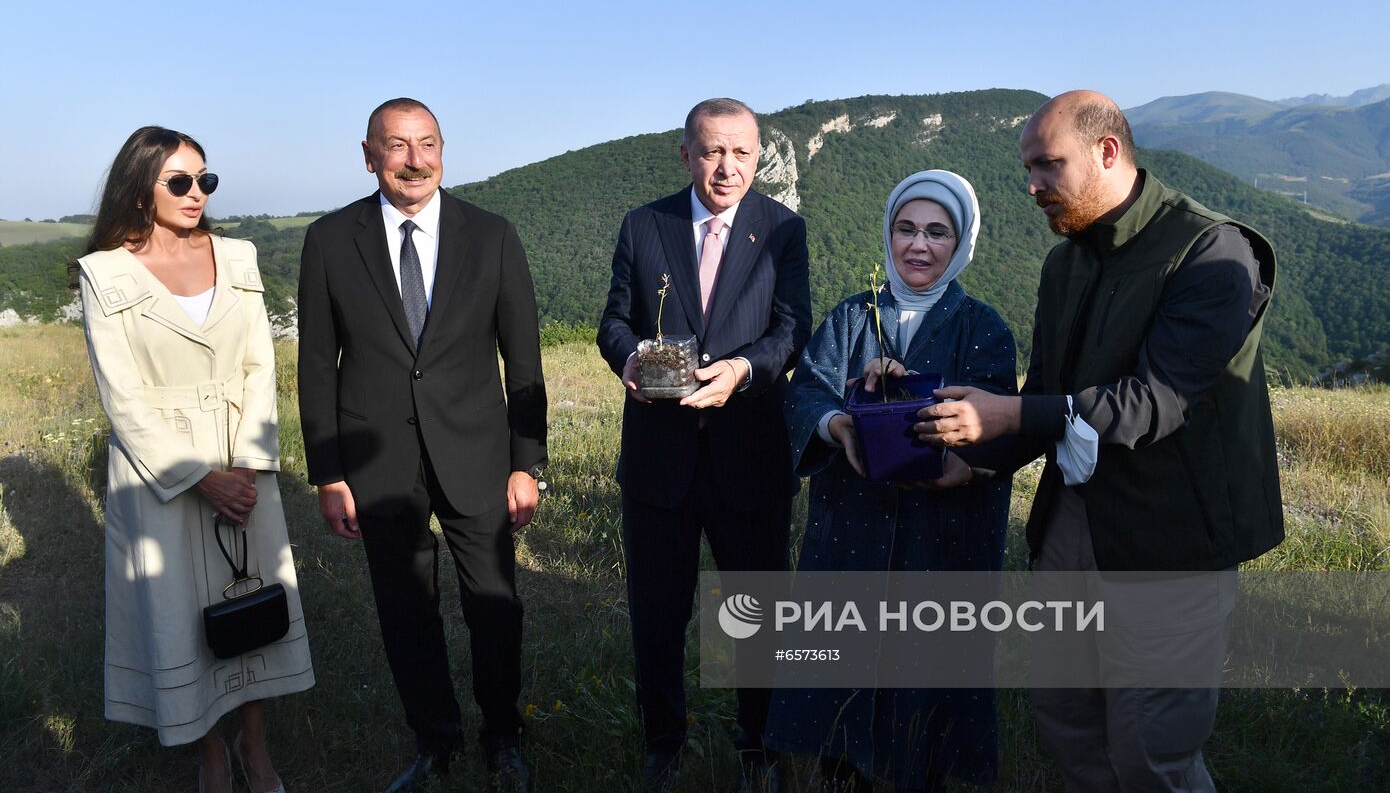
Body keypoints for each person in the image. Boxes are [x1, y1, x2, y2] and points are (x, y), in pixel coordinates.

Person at [920, 90, 1284, 792]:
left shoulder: (1212, 250)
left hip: (1168, 541)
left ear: (1107, 151)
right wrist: (973, 461)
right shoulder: (1068, 264)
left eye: (1047, 167)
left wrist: (1009, 418)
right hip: (1072, 525)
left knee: (1154, 750)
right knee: (1068, 721)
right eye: (1027, 168)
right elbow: (1049, 392)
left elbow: (1158, 401)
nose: (1031, 187)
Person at [297, 98, 547, 793]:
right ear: (369, 154)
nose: (415, 159)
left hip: (478, 452)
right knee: (406, 609)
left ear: (444, 150)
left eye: (428, 143)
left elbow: (523, 364)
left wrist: (527, 465)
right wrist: (328, 473)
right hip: (376, 458)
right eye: (398, 146)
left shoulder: (492, 235)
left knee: (495, 606)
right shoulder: (329, 239)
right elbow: (317, 365)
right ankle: (434, 742)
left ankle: (503, 737)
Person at [76, 126, 314, 793]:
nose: (195, 193)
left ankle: (256, 747)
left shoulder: (236, 257)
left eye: (204, 180)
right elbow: (120, 394)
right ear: (140, 187)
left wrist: (247, 464)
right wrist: (197, 477)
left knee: (255, 597)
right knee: (178, 612)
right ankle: (209, 749)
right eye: (178, 181)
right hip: (162, 471)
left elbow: (258, 365)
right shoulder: (104, 274)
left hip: (243, 457)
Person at [763, 170, 1017, 793]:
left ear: (962, 243)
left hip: (941, 535)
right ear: (888, 233)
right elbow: (805, 395)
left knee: (924, 676)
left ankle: (921, 771)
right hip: (851, 525)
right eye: (906, 229)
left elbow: (1000, 426)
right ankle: (838, 769)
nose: (919, 246)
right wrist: (843, 420)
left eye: (937, 232)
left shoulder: (983, 328)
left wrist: (959, 450)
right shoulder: (853, 317)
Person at [597, 97, 811, 792]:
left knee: (753, 613)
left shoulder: (783, 230)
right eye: (712, 151)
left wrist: (745, 371)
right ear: (685, 154)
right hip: (661, 456)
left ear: (758, 157)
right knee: (657, 616)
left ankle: (759, 745)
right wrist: (628, 359)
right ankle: (664, 743)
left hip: (748, 454)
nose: (727, 167)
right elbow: (614, 321)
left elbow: (791, 328)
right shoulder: (644, 224)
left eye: (741, 153)